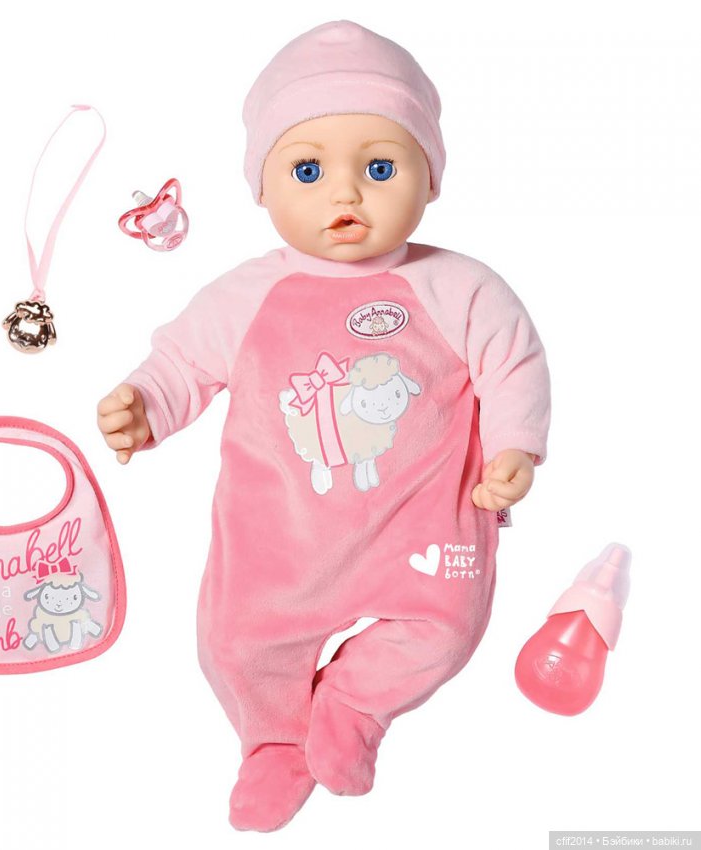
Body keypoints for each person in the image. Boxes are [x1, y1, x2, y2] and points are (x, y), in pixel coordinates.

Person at [97, 20, 550, 832]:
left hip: (419, 524)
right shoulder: (246, 294)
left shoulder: (460, 287)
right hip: (281, 536)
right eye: (308, 170)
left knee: (448, 628)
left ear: (430, 179)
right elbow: (183, 362)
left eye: (379, 168)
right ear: (262, 187)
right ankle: (272, 740)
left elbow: (512, 362)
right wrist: (145, 405)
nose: (346, 196)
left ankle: (355, 705)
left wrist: (515, 447)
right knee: (235, 642)